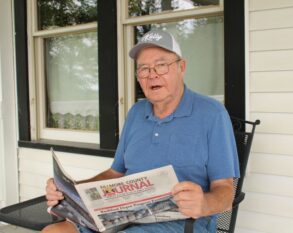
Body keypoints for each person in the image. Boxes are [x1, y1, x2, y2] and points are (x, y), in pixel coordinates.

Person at [42, 30, 240, 233]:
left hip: (182, 223)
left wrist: (204, 204)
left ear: (182, 67)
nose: (152, 74)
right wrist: (70, 190)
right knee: (53, 231)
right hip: (121, 217)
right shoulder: (136, 112)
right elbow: (114, 173)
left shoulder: (212, 113)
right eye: (144, 69)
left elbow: (225, 191)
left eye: (161, 65)